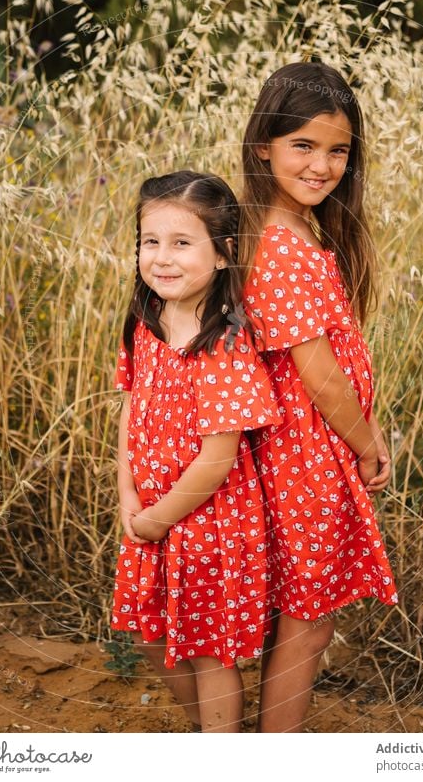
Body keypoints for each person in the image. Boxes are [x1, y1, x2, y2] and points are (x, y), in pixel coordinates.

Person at [239, 61, 399, 732]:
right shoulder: (278, 245)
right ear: (263, 147)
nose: (323, 164)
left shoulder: (303, 232)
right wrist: (368, 441)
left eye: (338, 150)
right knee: (307, 623)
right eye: (303, 145)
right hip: (304, 458)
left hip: (308, 453)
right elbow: (320, 376)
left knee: (300, 616)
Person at [111, 170, 281, 733]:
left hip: (207, 521)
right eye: (150, 241)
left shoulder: (224, 341)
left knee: (209, 649)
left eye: (182, 243)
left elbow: (217, 458)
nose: (162, 257)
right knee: (151, 631)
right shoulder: (146, 319)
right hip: (150, 515)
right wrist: (128, 494)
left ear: (225, 254)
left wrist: (162, 517)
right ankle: (210, 736)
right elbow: (131, 407)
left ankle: (221, 748)